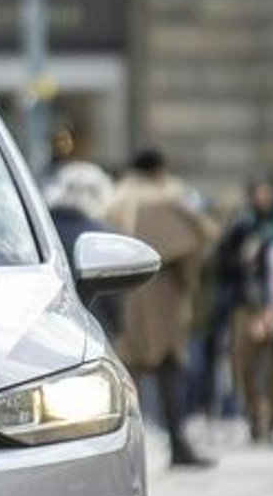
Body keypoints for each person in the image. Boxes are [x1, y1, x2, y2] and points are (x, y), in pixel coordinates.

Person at [106, 148, 223, 469]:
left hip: (123, 298)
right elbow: (202, 235)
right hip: (162, 298)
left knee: (126, 377)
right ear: (159, 170)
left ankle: (117, 453)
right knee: (170, 369)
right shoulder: (167, 198)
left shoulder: (113, 199)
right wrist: (188, 281)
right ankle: (179, 444)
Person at [216, 175, 273, 444]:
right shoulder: (243, 226)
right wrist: (241, 259)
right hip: (248, 304)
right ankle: (254, 414)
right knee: (244, 362)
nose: (263, 198)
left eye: (267, 193)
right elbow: (222, 265)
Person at [44, 161, 122, 335]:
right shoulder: (103, 236)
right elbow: (114, 300)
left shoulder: (39, 230)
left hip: (43, 334)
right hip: (91, 335)